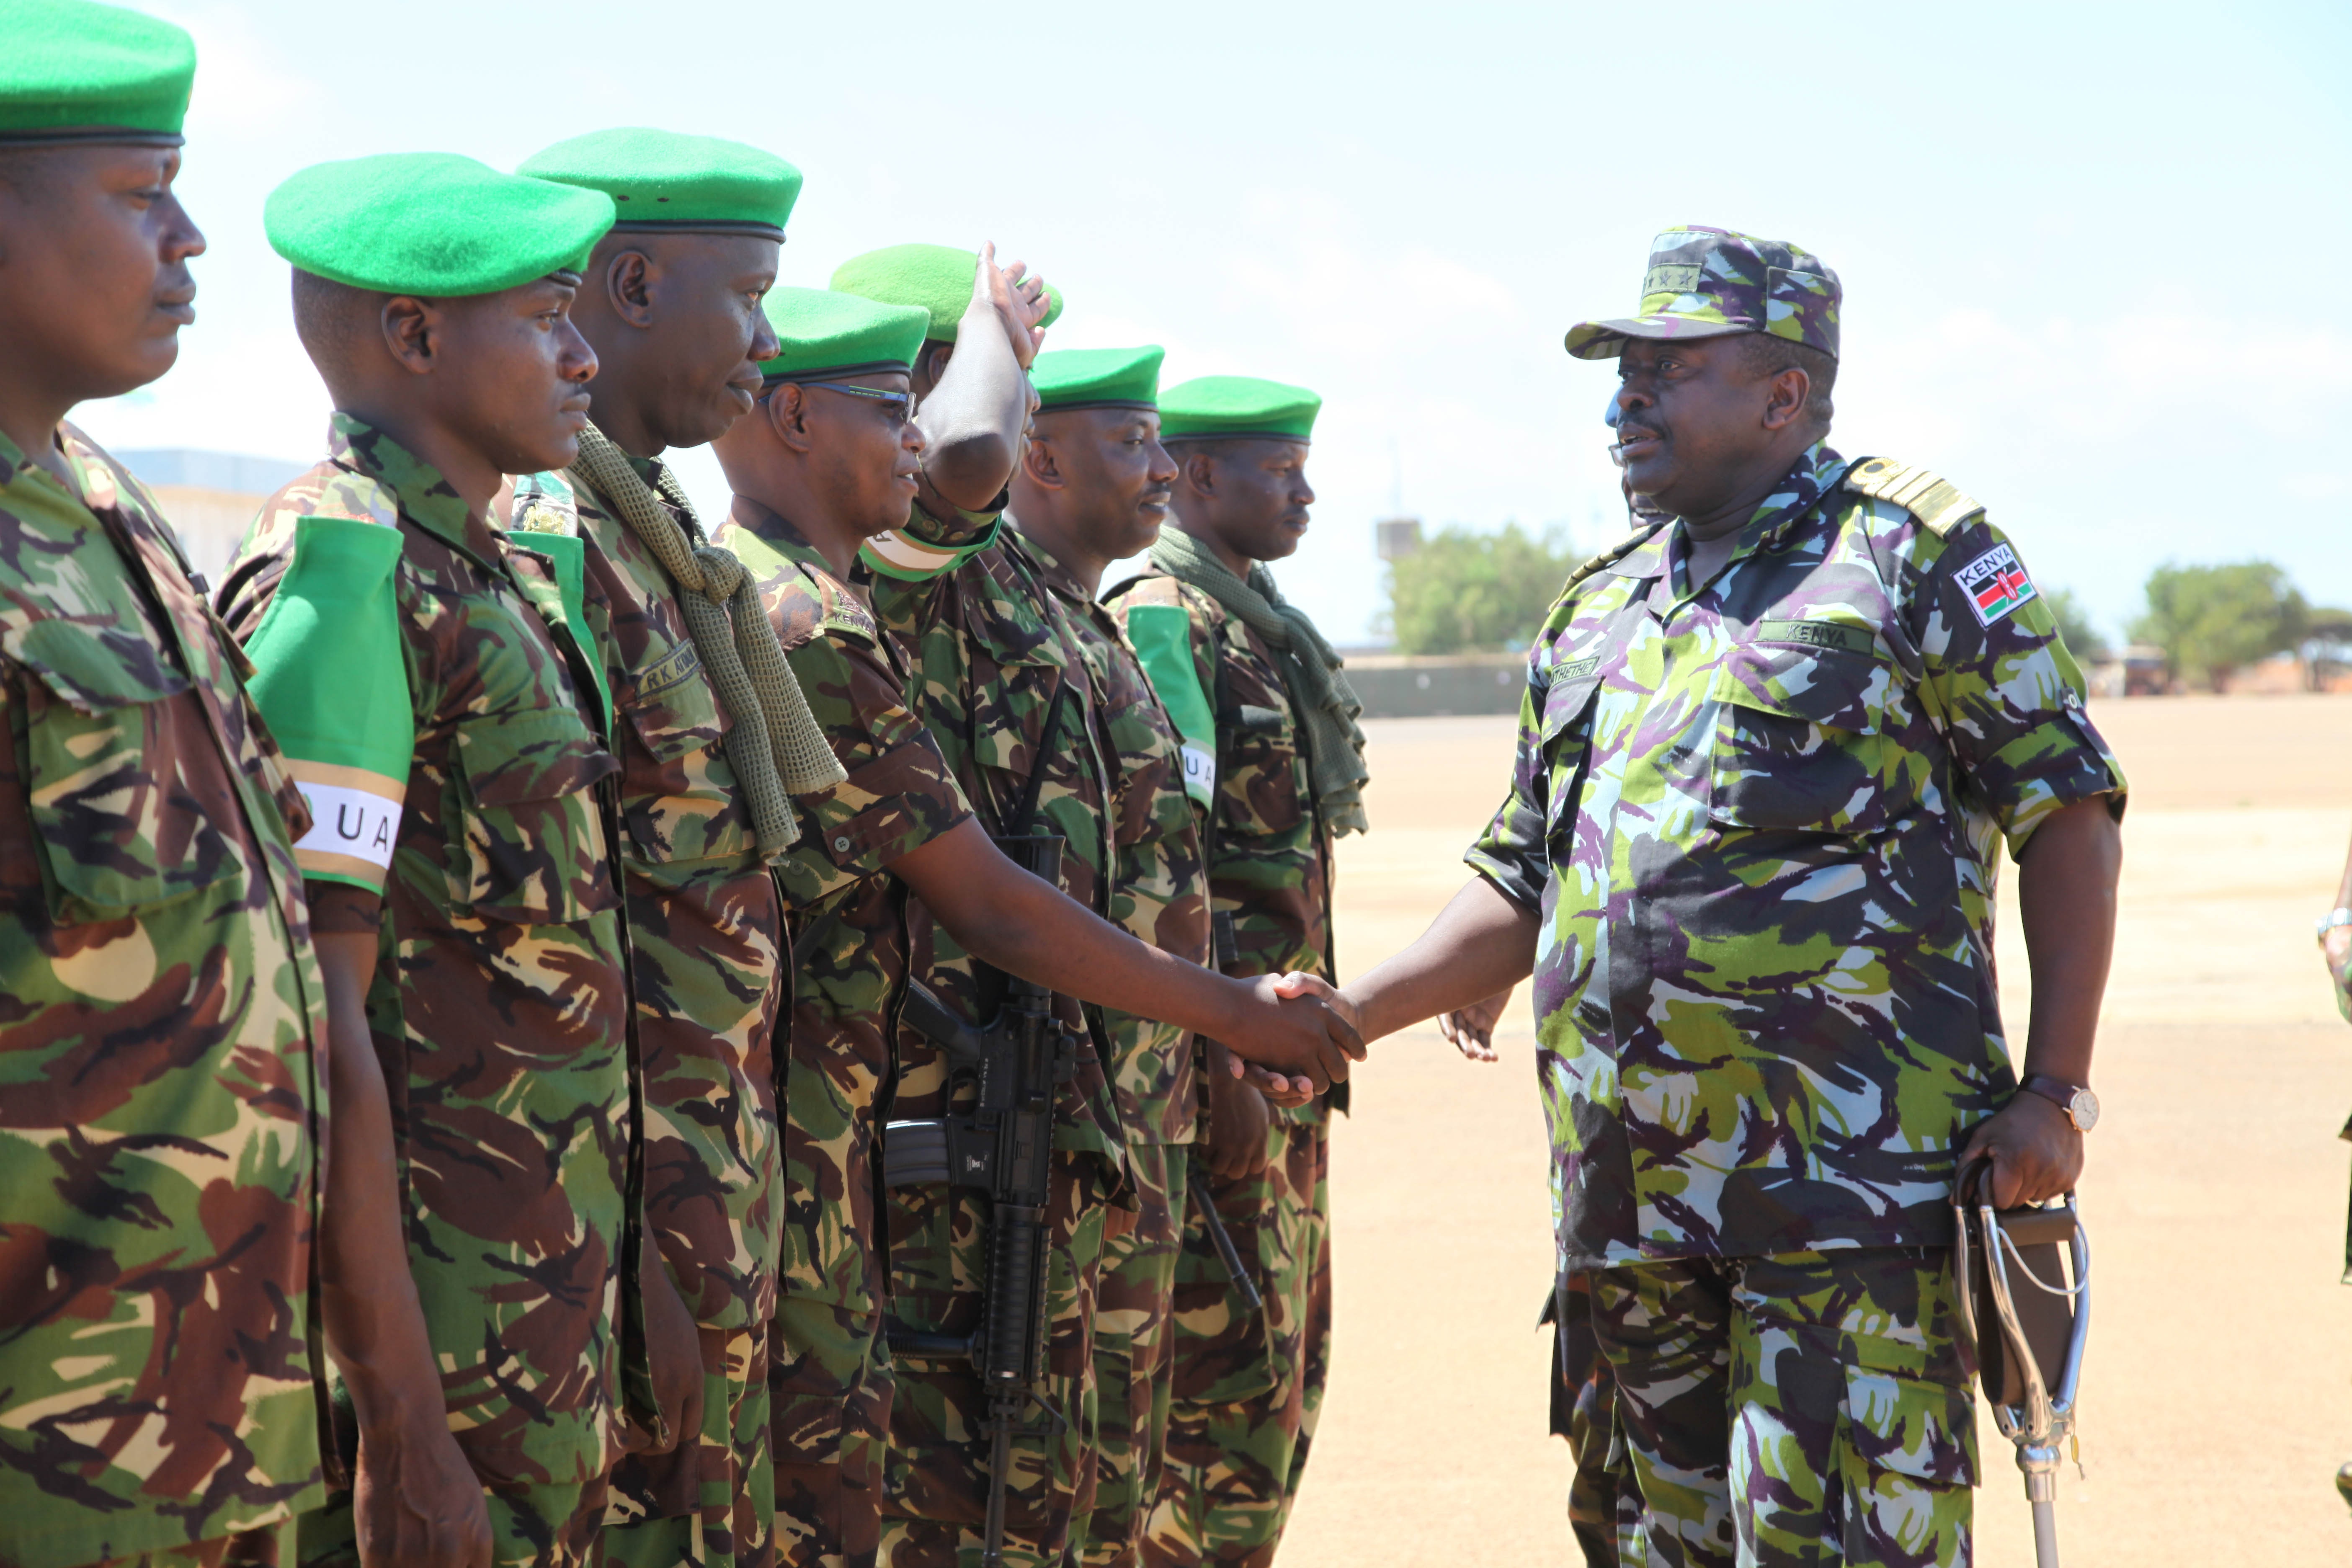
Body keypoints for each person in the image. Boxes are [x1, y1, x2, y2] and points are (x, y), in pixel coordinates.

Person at [1310, 225, 2126, 1566]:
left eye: (1669, 367)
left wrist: (2057, 1090)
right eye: (1622, 369)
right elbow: (1526, 877)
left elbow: (2070, 810)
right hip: (1630, 1220)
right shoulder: (1597, 610)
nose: (1627, 396)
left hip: (1845, 1214)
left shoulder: (1915, 558)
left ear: (1783, 393)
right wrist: (1346, 1014)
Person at [705, 288, 1359, 1568]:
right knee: (967, 1499)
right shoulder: (831, 605)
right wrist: (993, 331)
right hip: (911, 1134)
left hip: (1082, 1097)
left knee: (1076, 1479)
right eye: (895, 403)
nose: (919, 439)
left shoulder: (1007, 601)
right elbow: (987, 894)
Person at [0, 11, 474, 1568]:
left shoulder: (104, 508)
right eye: (143, 190)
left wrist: (390, 1400)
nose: (193, 239)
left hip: (211, 1451)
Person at [217, 152, 678, 1568]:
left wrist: (633, 1243)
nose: (587, 353)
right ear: (416, 337)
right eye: (547, 316)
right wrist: (404, 1423)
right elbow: (317, 1022)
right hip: (439, 1335)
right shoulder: (350, 575)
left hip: (541, 1291)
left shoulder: (487, 571)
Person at [507, 127, 833, 1568]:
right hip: (623, 1233)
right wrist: (632, 1248)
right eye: (749, 297)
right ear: (631, 284)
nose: (766, 346)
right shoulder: (551, 537)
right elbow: (557, 940)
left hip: (710, 1198)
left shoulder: (655, 534)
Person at [1101, 375, 1360, 1566]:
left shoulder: (1256, 615)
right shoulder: (1167, 613)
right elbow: (1169, 856)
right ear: (1198, 479)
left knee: (1287, 1379)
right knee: (1223, 1414)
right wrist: (1220, 1068)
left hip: (1280, 1071)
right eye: (1278, 469)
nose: (1304, 492)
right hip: (1227, 1083)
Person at [1003, 347, 1210, 1568]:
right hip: (1055, 1124)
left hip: (1143, 1110)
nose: (1164, 470)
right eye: (1132, 442)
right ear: (1037, 455)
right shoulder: (1000, 621)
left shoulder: (1097, 630)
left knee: (1116, 1462)